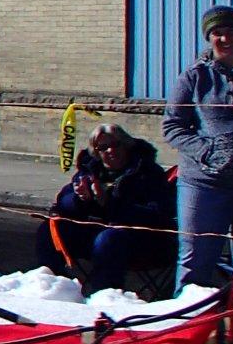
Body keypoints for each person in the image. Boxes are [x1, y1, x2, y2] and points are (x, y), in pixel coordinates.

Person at [162, 3, 233, 289]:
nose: (224, 39)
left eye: (230, 31)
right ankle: (190, 329)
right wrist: (208, 150)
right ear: (208, 37)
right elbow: (172, 126)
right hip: (204, 183)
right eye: (216, 33)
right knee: (195, 263)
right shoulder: (194, 77)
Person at [35, 124, 177, 296]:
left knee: (109, 239)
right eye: (103, 147)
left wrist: (109, 202)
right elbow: (62, 203)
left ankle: (102, 295)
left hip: (141, 241)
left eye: (115, 145)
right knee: (49, 229)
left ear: (126, 144)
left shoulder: (148, 173)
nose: (110, 151)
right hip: (96, 236)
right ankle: (54, 288)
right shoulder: (89, 170)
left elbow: (157, 215)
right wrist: (79, 199)